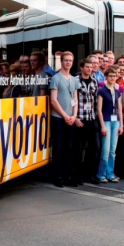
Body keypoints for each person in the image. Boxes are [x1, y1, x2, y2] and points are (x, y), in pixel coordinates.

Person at [48, 52, 80, 188]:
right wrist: (65, 116)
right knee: (59, 148)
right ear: (61, 62)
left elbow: (75, 99)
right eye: (66, 60)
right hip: (58, 119)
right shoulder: (56, 78)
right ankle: (58, 176)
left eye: (70, 61)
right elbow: (53, 100)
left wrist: (74, 115)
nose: (68, 63)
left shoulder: (74, 80)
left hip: (70, 118)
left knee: (69, 148)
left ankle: (68, 176)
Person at [74, 57, 101, 185]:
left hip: (91, 118)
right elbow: (72, 100)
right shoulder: (75, 80)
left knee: (95, 147)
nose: (90, 69)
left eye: (91, 67)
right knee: (78, 150)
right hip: (80, 118)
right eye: (87, 67)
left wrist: (95, 115)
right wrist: (75, 117)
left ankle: (90, 174)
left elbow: (95, 100)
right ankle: (78, 176)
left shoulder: (95, 81)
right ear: (81, 68)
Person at [97, 66, 123, 184]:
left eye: (114, 76)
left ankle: (110, 173)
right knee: (106, 150)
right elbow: (99, 109)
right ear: (106, 77)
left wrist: (121, 124)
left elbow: (120, 109)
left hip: (115, 122)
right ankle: (101, 174)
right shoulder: (102, 91)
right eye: (110, 76)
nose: (113, 78)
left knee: (113, 150)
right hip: (106, 121)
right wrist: (102, 125)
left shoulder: (117, 91)